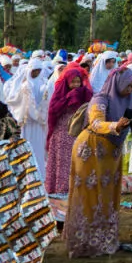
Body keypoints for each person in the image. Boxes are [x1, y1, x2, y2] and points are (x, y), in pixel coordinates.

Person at [64, 68, 132, 258]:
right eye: (127, 85)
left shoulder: (130, 101)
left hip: (111, 153)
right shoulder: (101, 99)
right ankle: (84, 242)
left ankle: (104, 239)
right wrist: (115, 126)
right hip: (91, 149)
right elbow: (96, 123)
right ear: (118, 82)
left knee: (108, 194)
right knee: (89, 194)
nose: (130, 89)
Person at [44, 64, 92, 195]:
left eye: (78, 82)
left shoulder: (85, 93)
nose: (76, 85)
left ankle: (77, 189)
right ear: (67, 82)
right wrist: (69, 98)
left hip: (78, 131)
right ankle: (61, 189)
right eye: (73, 82)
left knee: (77, 158)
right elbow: (53, 110)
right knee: (62, 161)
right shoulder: (60, 93)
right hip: (62, 131)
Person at [9, 58, 50, 177]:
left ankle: (38, 175)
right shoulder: (25, 85)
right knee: (26, 149)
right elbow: (23, 104)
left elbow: (44, 102)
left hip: (38, 124)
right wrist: (36, 115)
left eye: (38, 70)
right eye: (34, 70)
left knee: (38, 150)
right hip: (27, 123)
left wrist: (39, 115)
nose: (36, 73)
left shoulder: (43, 83)